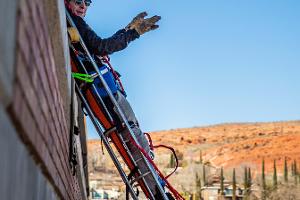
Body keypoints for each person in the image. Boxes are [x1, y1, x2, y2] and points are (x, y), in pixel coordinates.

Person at [65, 0, 170, 199]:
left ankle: (156, 186)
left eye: (87, 3)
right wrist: (133, 33)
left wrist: (127, 29)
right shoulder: (73, 21)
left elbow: (97, 45)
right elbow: (101, 46)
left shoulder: (73, 21)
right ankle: (157, 191)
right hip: (105, 93)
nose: (83, 7)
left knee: (136, 138)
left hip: (105, 90)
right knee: (135, 139)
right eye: (78, 1)